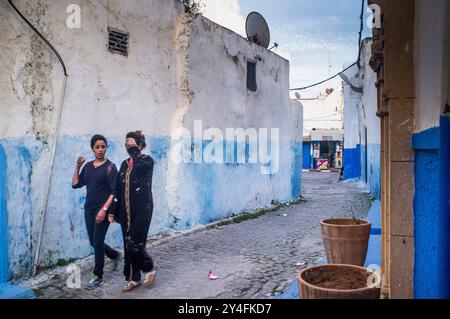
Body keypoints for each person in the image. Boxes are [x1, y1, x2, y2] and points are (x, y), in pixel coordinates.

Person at [109, 131, 156, 292]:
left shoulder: (147, 161)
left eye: (131, 144)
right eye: (126, 144)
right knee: (128, 244)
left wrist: (135, 151)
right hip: (125, 211)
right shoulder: (123, 164)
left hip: (143, 208)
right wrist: (113, 211)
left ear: (140, 145)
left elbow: (139, 166)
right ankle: (134, 278)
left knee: (135, 243)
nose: (127, 147)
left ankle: (149, 268)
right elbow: (117, 189)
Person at [72, 134, 121, 289]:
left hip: (104, 209)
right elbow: (75, 184)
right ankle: (114, 255)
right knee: (93, 242)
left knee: (98, 241)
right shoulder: (88, 167)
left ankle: (98, 275)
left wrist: (104, 210)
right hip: (89, 208)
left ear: (106, 148)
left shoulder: (111, 167)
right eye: (97, 147)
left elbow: (115, 192)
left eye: (103, 146)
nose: (100, 150)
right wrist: (77, 166)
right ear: (92, 149)